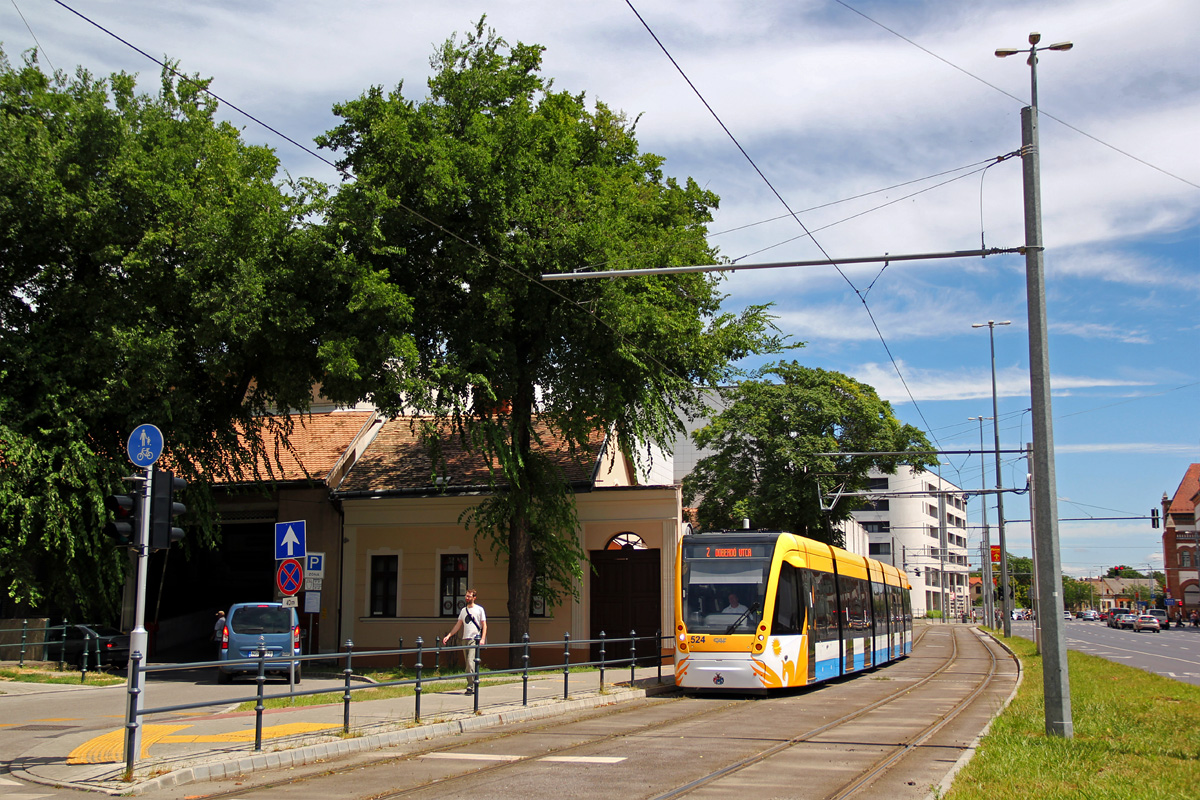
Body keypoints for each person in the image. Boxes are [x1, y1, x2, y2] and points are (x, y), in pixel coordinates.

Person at [442, 589, 487, 694]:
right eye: (466, 596)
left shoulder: (479, 609)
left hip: (474, 639)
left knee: (470, 663)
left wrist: (483, 638)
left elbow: (484, 625)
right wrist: (449, 635)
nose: (467, 598)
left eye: (469, 596)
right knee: (468, 663)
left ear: (474, 597)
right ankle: (474, 682)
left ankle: (470, 686)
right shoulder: (463, 611)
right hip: (464, 639)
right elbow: (458, 625)